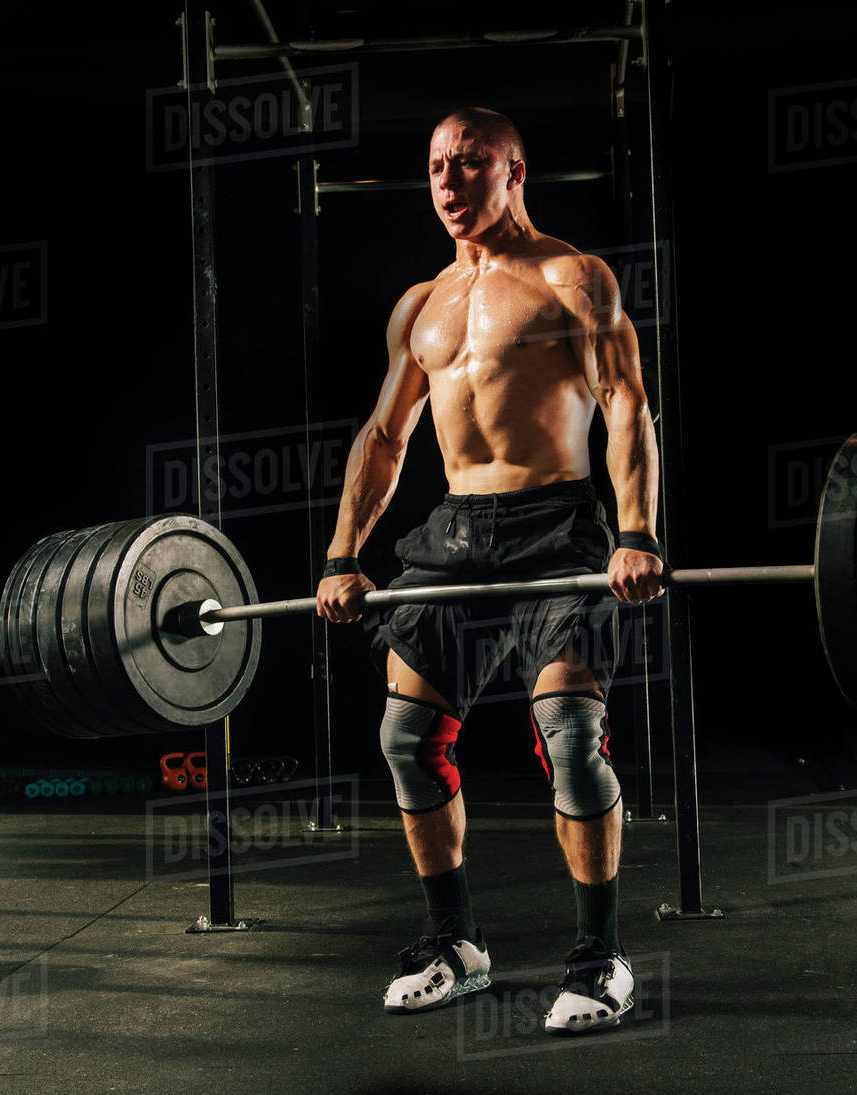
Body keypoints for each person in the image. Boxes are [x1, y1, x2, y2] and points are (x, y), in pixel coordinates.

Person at [316, 106, 663, 1036]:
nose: (447, 181)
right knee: (406, 738)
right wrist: (343, 554)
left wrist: (639, 533)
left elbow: (625, 404)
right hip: (457, 532)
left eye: (469, 164)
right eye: (435, 165)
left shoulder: (570, 276)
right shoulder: (421, 304)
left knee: (571, 739)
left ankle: (601, 960)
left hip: (557, 527)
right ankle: (454, 942)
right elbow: (386, 437)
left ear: (514, 171)